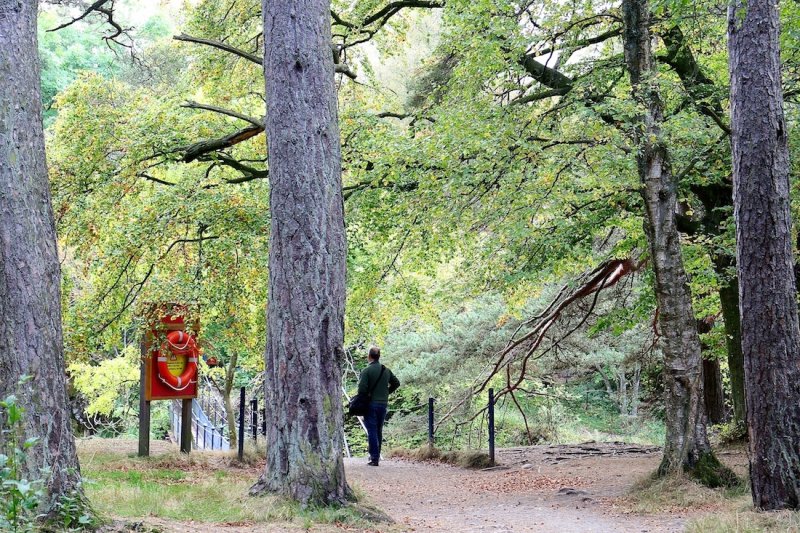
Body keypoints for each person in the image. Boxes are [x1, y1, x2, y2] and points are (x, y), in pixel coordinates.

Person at [358, 346, 400, 466]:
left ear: (369, 356)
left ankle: (374, 458)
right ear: (379, 356)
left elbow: (362, 389)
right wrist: (387, 392)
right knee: (378, 430)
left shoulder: (366, 371)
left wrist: (364, 398)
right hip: (383, 404)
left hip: (371, 404)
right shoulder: (386, 370)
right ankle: (376, 455)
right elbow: (396, 383)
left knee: (371, 430)